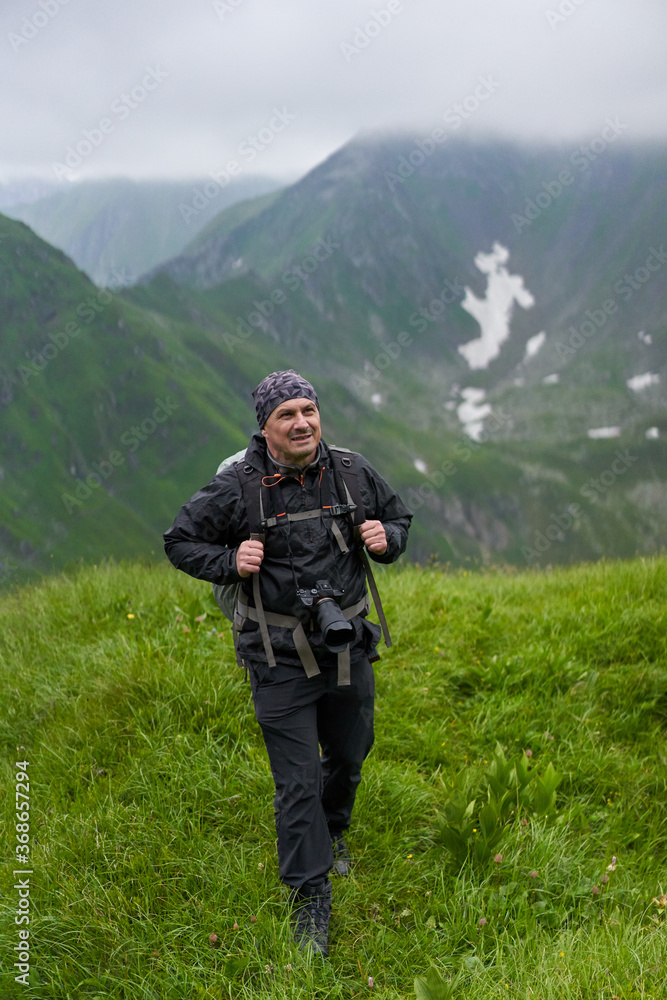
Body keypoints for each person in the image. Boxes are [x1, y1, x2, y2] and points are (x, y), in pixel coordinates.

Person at [163, 369, 412, 956]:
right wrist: (230, 561)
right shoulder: (238, 486)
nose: (301, 423)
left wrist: (387, 540)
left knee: (350, 755)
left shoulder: (350, 471)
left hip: (347, 644)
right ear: (265, 427)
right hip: (275, 654)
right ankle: (309, 895)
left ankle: (336, 828)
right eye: (286, 415)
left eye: (308, 410)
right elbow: (179, 541)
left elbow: (398, 518)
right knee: (296, 780)